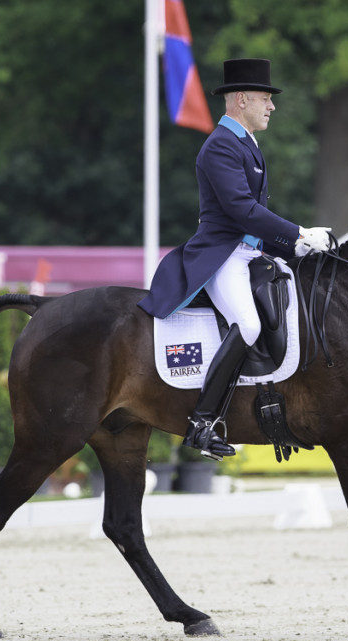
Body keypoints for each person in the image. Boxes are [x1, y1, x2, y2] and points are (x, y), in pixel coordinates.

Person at [138, 58, 331, 459]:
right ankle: (201, 423)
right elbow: (242, 211)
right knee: (247, 323)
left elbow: (253, 221)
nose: (271, 106)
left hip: (250, 252)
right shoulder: (221, 145)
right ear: (241, 100)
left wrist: (292, 248)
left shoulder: (245, 143)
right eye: (265, 99)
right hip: (222, 255)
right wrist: (297, 232)